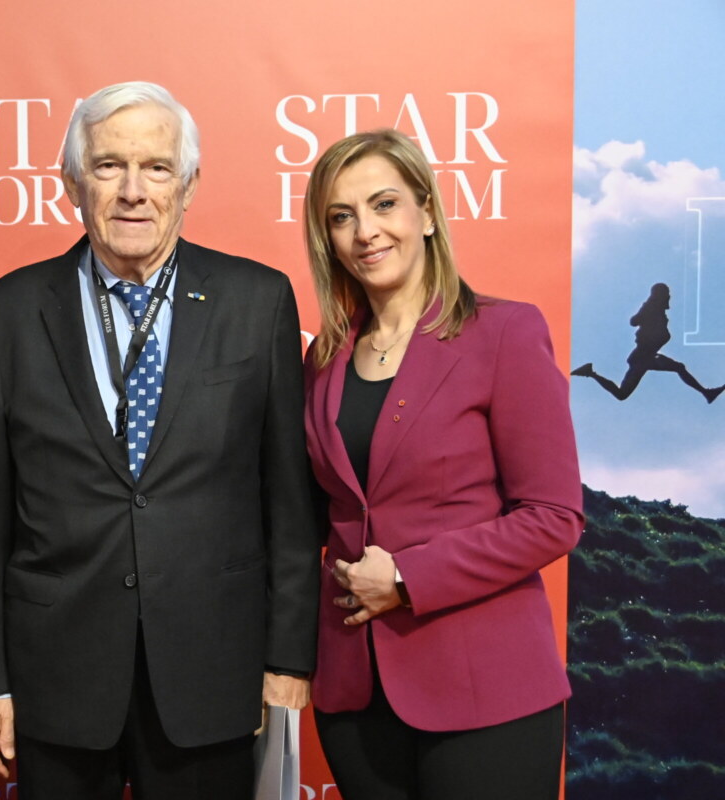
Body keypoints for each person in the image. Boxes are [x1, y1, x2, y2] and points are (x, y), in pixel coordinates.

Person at [0, 81, 320, 800]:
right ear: (72, 183)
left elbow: (288, 503)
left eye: (156, 167)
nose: (132, 191)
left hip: (213, 671)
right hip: (56, 674)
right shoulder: (8, 313)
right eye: (108, 166)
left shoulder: (258, 301)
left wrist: (287, 660)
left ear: (188, 184)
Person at [300, 129, 584, 800]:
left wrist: (406, 576)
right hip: (356, 695)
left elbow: (554, 516)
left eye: (384, 204)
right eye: (341, 216)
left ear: (426, 212)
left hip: (486, 691)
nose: (365, 232)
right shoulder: (323, 360)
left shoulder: (505, 332)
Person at [571, 282, 723, 402]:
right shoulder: (651, 308)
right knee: (623, 394)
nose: (669, 297)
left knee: (623, 394)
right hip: (642, 357)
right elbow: (634, 321)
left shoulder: (658, 313)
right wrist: (646, 312)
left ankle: (590, 372)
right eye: (666, 294)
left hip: (646, 357)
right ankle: (590, 373)